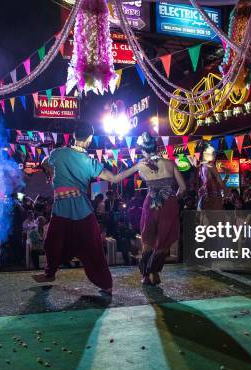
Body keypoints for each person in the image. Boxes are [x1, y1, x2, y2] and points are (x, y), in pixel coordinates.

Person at [35, 121, 141, 294]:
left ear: (74, 136)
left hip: (63, 209)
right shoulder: (89, 162)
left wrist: (49, 172)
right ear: (90, 138)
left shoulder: (57, 153)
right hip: (81, 210)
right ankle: (105, 284)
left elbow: (46, 161)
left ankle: (50, 274)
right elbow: (115, 179)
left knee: (53, 243)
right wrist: (136, 166)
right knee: (92, 247)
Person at [135, 132, 186, 286]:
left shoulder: (141, 166)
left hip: (151, 203)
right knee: (164, 241)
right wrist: (172, 198)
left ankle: (145, 275)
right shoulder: (170, 163)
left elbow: (147, 178)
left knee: (148, 238)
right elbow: (183, 188)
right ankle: (155, 272)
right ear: (157, 147)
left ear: (144, 151)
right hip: (169, 203)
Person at [196, 144, 225, 210]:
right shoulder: (211, 166)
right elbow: (221, 184)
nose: (215, 156)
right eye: (213, 154)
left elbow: (205, 184)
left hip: (206, 198)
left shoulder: (201, 167)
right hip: (215, 198)